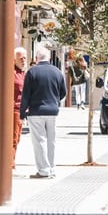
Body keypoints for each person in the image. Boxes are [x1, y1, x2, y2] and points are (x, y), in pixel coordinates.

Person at [20, 45, 66, 179]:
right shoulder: (57, 72)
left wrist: (22, 113)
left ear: (36, 58)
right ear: (49, 58)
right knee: (51, 141)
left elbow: (26, 95)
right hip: (53, 111)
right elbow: (63, 92)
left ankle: (43, 170)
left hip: (36, 111)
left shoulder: (32, 72)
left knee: (39, 141)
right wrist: (55, 101)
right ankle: (51, 168)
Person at [11, 47, 27, 169]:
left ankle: (11, 160)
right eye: (21, 58)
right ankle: (10, 162)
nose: (24, 60)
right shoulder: (12, 73)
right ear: (14, 59)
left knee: (18, 137)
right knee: (13, 138)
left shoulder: (23, 73)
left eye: (25, 58)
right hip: (13, 109)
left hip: (20, 110)